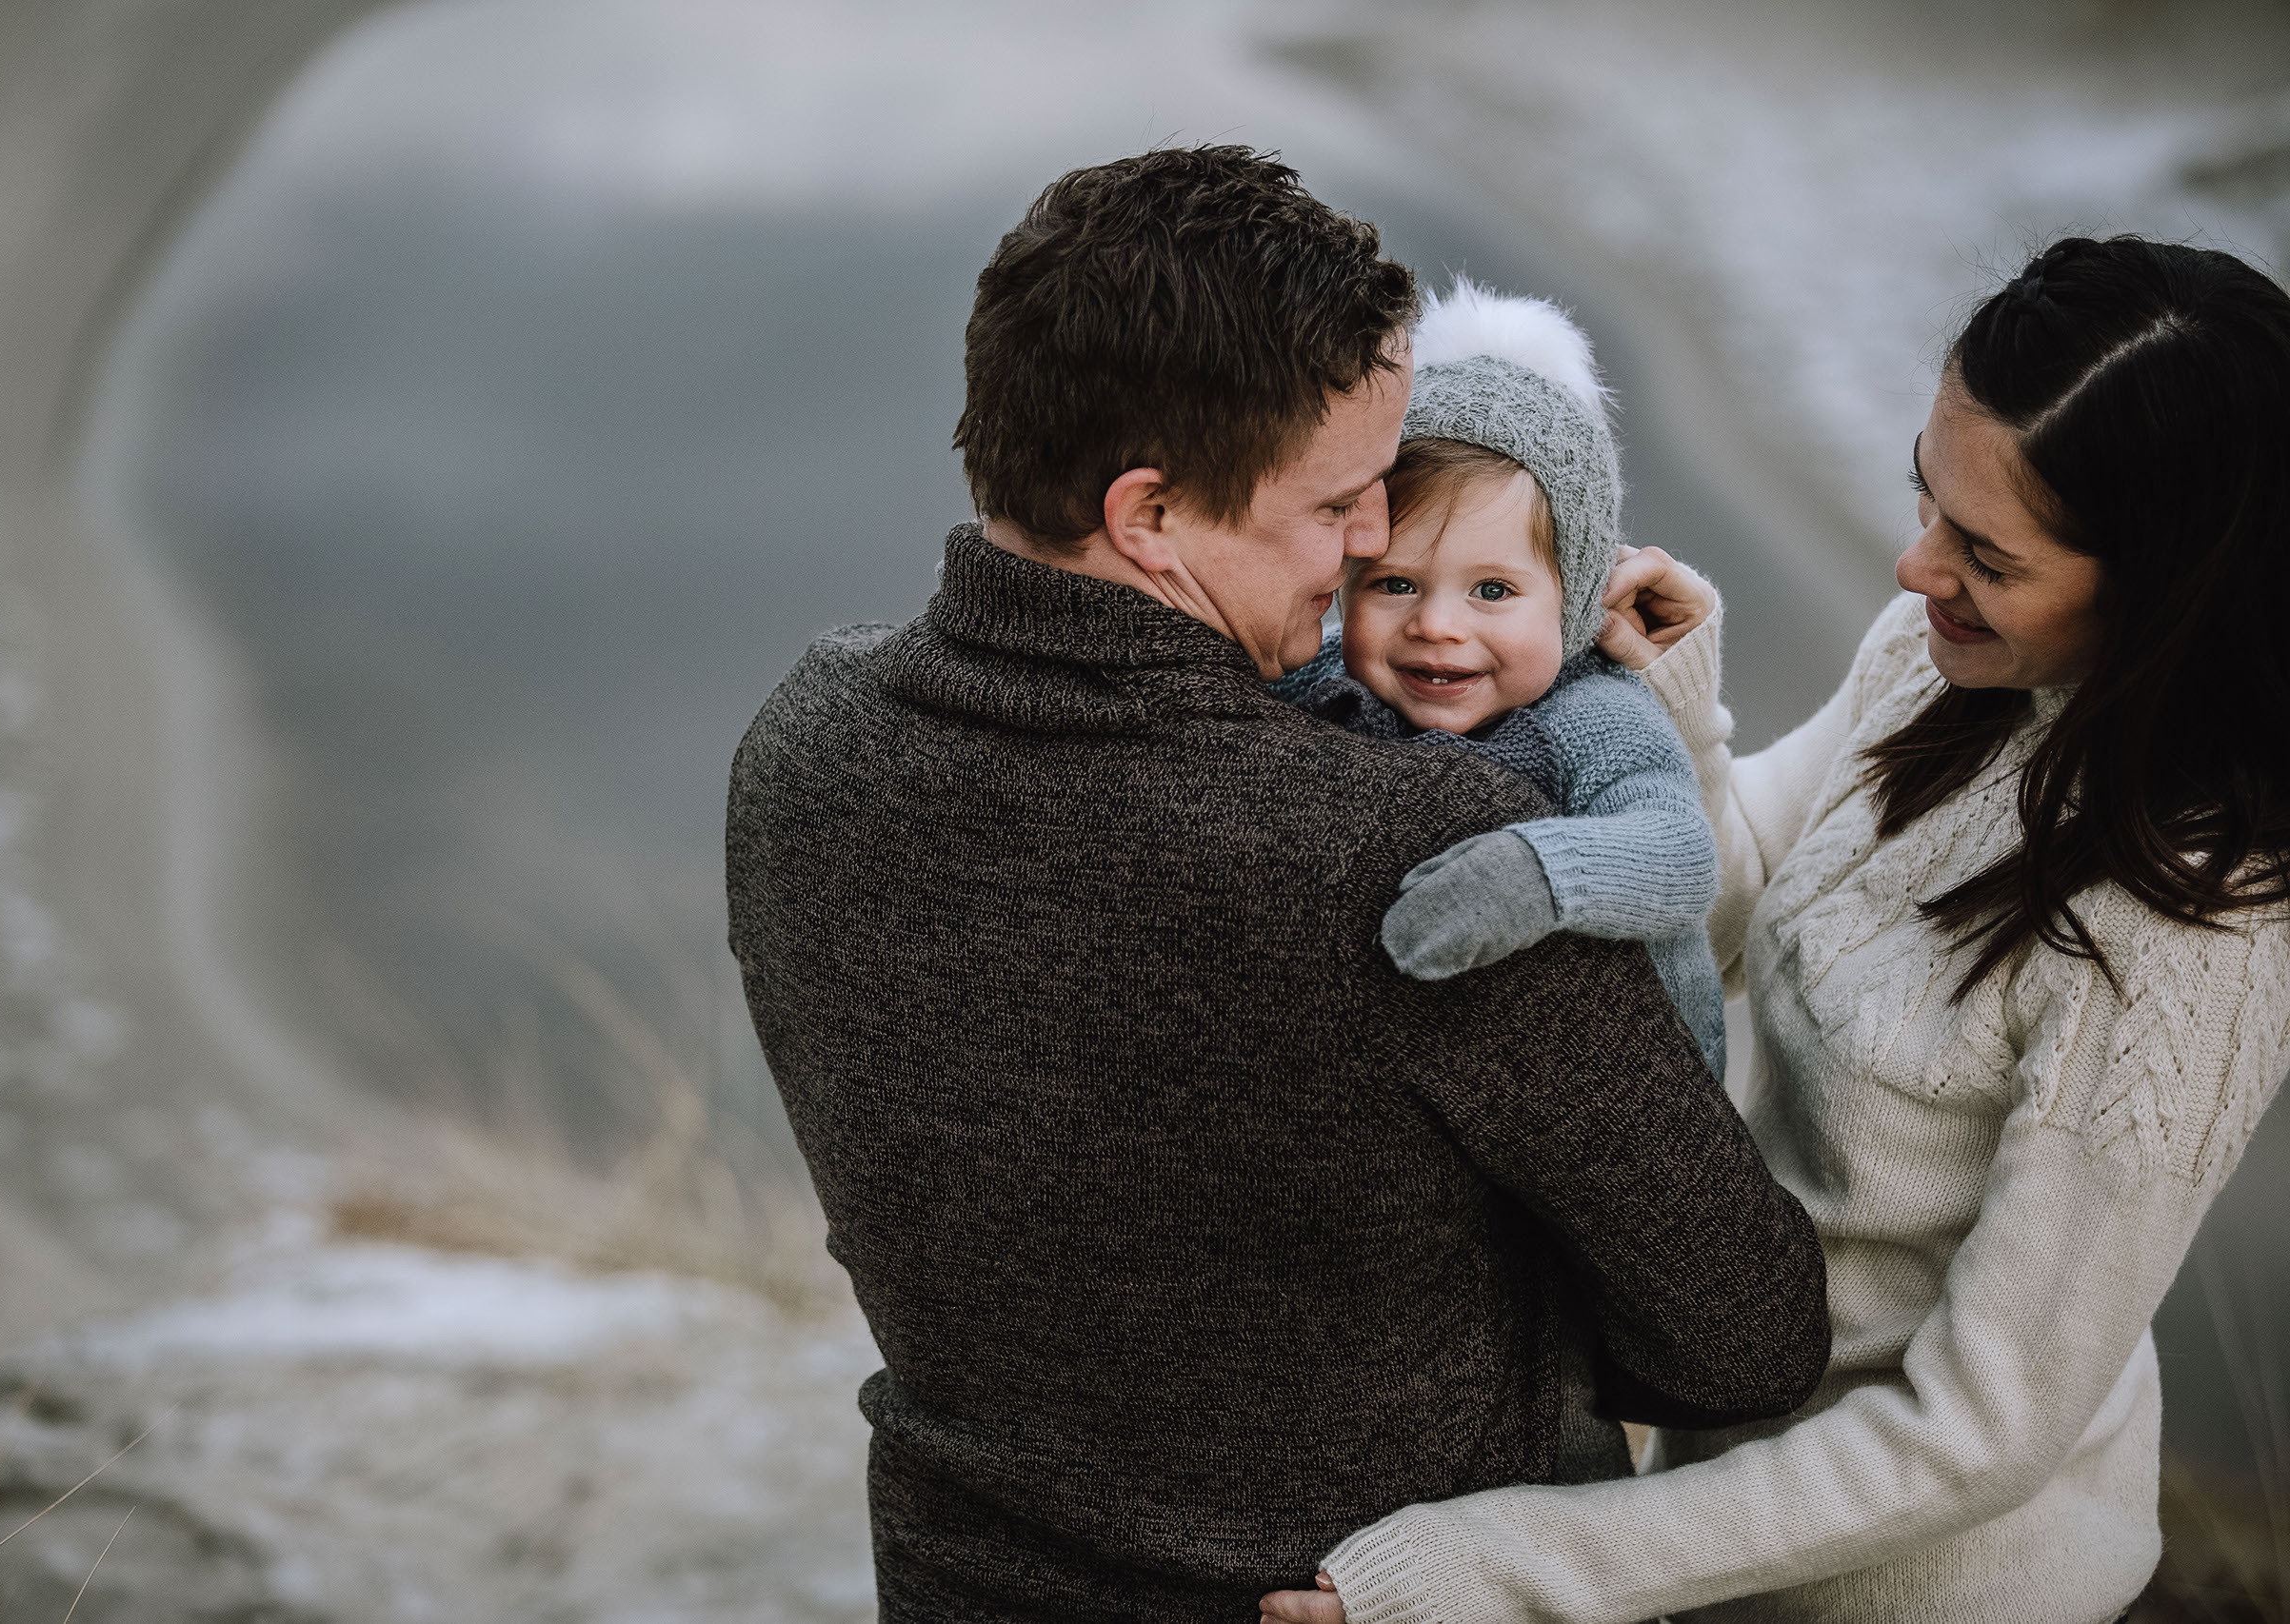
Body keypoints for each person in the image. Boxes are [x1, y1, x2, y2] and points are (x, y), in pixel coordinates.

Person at [725, 146, 1830, 1624]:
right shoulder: (1423, 852)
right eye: (1340, 505)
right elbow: (1741, 1337)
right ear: (1151, 516)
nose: (1380, 542)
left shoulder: (807, 741)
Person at [1263, 235, 2290, 1624]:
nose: (1914, 561)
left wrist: (1500, 1563)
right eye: (1924, 496)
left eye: (1986, 552)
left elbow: (1977, 1435)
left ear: (2168, 589)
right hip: (1719, 1462)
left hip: (1926, 1588)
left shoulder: (2191, 939)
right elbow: (1727, 921)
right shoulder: (1943, 660)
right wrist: (1672, 705)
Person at [1272, 277, 1725, 1078]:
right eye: (1395, 584)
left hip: (1629, 1089)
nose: (1438, 625)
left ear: (1576, 601)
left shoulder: (1591, 715)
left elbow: (1682, 855)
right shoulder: (1334, 671)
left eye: (1493, 591)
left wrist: (1534, 875)